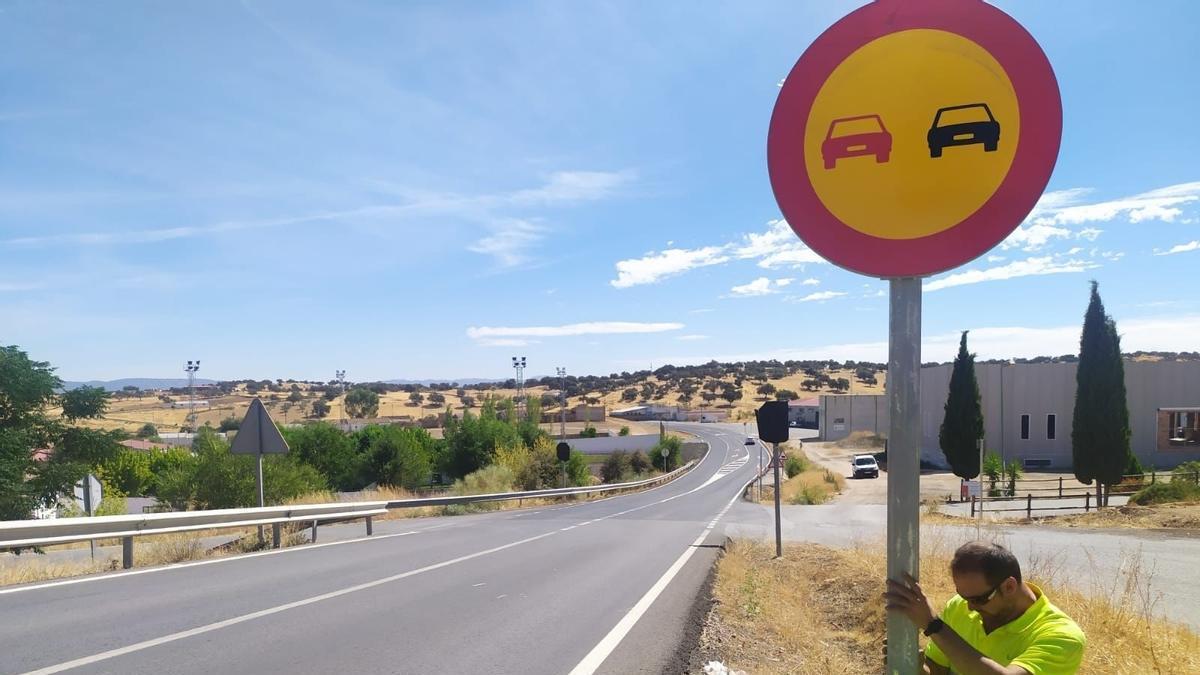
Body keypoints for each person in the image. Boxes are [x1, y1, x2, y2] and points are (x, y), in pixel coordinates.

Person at [883, 541, 1085, 675]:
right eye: (964, 597)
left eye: (979, 599)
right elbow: (938, 670)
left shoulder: (1062, 636)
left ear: (1009, 586)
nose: (970, 607)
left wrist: (934, 625)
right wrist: (917, 667)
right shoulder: (959, 606)